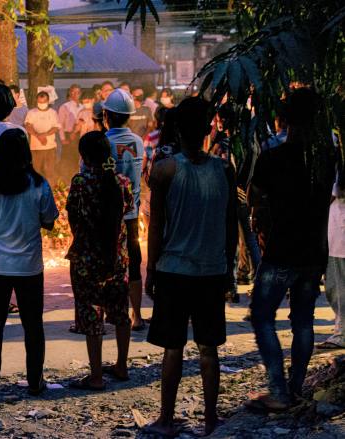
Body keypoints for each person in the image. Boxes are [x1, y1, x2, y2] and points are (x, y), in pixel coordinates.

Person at [145, 97, 238, 437]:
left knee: (173, 348)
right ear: (207, 130)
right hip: (211, 271)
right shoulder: (224, 170)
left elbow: (156, 226)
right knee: (208, 349)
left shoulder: (165, 170)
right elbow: (230, 225)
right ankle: (211, 419)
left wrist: (151, 270)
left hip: (173, 270)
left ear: (179, 130)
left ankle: (166, 419)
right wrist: (228, 270)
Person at [247, 88, 335, 410]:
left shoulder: (274, 155)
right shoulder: (328, 157)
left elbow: (254, 196)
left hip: (282, 249)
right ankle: (295, 387)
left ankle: (279, 391)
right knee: (303, 320)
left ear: (286, 118)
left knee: (262, 315)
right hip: (314, 251)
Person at [0, 128, 58, 395]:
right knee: (33, 324)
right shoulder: (39, 184)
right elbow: (49, 221)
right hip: (29, 265)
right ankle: (35, 381)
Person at [66, 131, 133, 390]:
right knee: (121, 312)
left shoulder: (80, 183)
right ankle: (122, 365)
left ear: (83, 157)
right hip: (117, 258)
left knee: (92, 314)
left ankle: (96, 376)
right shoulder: (122, 181)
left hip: (87, 259)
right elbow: (127, 212)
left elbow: (73, 217)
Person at [103, 89, 146, 331]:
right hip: (132, 215)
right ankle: (137, 315)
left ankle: (111, 312)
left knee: (108, 264)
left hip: (108, 217)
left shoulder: (102, 143)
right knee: (134, 263)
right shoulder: (138, 142)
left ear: (107, 115)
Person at [318, 171, 345, 349]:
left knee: (337, 287)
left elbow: (333, 192)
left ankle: (342, 333)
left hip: (340, 235)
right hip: (337, 232)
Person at [25, 91, 60, 182]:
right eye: (39, 102)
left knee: (50, 171)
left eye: (43, 102)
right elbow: (28, 126)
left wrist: (45, 134)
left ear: (48, 101)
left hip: (50, 147)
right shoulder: (31, 112)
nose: (41, 104)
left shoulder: (53, 113)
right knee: (35, 171)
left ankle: (50, 188)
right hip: (35, 148)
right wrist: (38, 135)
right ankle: (36, 189)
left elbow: (56, 127)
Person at [58, 85, 83, 183]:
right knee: (67, 159)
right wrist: (63, 138)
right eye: (73, 92)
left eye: (78, 92)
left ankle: (77, 180)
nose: (75, 94)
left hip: (80, 135)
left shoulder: (83, 107)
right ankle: (66, 181)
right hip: (68, 134)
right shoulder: (65, 106)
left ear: (80, 93)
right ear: (70, 93)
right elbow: (60, 123)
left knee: (78, 158)